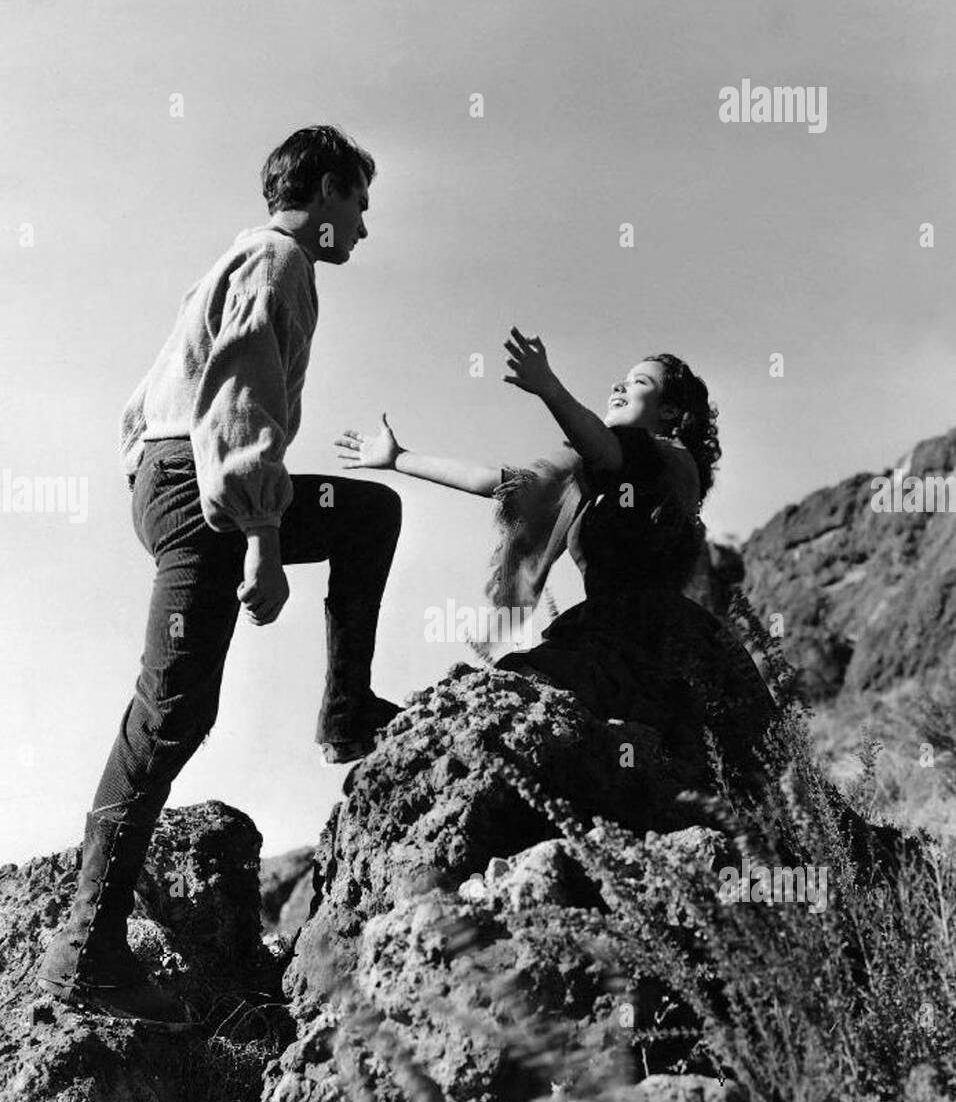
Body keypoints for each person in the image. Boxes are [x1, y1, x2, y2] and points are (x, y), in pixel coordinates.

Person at [39, 126, 401, 1028]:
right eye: (358, 202)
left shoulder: (241, 260)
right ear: (322, 190)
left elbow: (156, 408)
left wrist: (167, 492)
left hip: (172, 478)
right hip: (203, 488)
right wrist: (265, 551)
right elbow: (239, 412)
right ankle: (86, 951)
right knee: (170, 711)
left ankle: (347, 709)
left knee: (368, 514)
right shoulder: (281, 261)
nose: (362, 226)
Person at [335, 328, 776, 787]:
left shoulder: (671, 460)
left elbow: (606, 448)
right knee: (506, 702)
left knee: (512, 699)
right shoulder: (593, 479)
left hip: (655, 643)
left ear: (669, 411)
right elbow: (502, 483)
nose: (619, 386)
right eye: (621, 380)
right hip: (603, 635)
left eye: (639, 382)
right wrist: (399, 458)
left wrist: (549, 388)